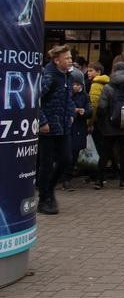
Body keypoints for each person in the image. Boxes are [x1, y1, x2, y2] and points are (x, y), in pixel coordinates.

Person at [37, 45, 76, 214]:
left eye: (70, 57)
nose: (70, 60)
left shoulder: (67, 76)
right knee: (45, 164)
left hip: (63, 127)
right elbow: (35, 100)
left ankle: (49, 189)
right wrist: (42, 121)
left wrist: (71, 113)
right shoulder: (49, 76)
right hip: (48, 129)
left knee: (67, 159)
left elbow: (68, 99)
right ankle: (44, 199)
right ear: (56, 60)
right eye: (66, 58)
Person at [86, 62, 111, 188]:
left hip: (98, 121)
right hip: (106, 121)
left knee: (98, 149)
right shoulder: (108, 83)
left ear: (98, 72)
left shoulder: (96, 84)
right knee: (104, 148)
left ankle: (98, 175)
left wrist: (90, 122)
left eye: (91, 71)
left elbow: (93, 104)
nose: (88, 73)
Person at [66, 68, 92, 190]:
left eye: (77, 84)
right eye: (73, 84)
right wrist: (75, 111)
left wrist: (84, 112)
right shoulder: (66, 94)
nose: (75, 87)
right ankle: (66, 178)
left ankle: (68, 177)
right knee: (68, 153)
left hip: (78, 127)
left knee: (75, 152)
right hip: (70, 127)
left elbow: (89, 111)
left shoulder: (85, 96)